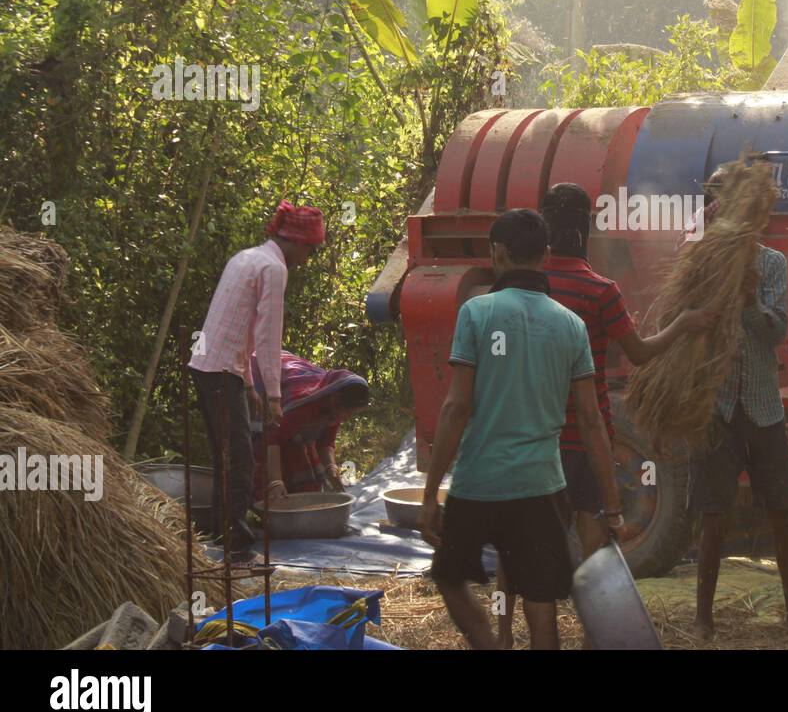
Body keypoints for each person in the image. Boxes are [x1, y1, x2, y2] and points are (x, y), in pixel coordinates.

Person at [493, 182, 715, 648]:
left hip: (531, 439)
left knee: (517, 546)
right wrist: (683, 324)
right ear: (588, 227)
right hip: (582, 442)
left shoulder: (525, 288)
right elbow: (638, 352)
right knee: (595, 549)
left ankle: (501, 635)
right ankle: (594, 641)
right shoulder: (600, 290)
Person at [419, 209, 630, 650]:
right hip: (541, 484)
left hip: (480, 482)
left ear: (497, 253)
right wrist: (613, 507)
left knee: (450, 577)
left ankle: (489, 644)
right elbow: (592, 422)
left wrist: (430, 492)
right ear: (546, 255)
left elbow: (457, 407)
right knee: (541, 600)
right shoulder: (570, 325)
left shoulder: (477, 312)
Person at [690, 164, 788, 641]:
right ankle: (703, 618)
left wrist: (750, 300)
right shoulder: (700, 263)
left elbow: (777, 331)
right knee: (712, 513)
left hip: (762, 408)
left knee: (782, 510)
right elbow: (686, 325)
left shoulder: (772, 264)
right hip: (717, 408)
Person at [188, 200, 325, 556]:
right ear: (296, 242)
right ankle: (236, 544)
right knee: (240, 457)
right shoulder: (273, 269)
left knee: (228, 454)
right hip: (219, 369)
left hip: (211, 366)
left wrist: (249, 384)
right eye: (309, 250)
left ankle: (224, 534)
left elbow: (241, 330)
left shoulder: (246, 258)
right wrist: (276, 396)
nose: (307, 258)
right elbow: (265, 336)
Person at [249, 352, 369, 498]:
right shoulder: (303, 405)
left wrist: (331, 468)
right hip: (260, 372)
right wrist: (275, 482)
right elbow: (273, 439)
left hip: (289, 401)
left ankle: (297, 495)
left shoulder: (334, 407)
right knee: (270, 450)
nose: (348, 417)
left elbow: (326, 442)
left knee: (302, 455)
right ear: (334, 401)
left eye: (352, 413)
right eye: (347, 412)